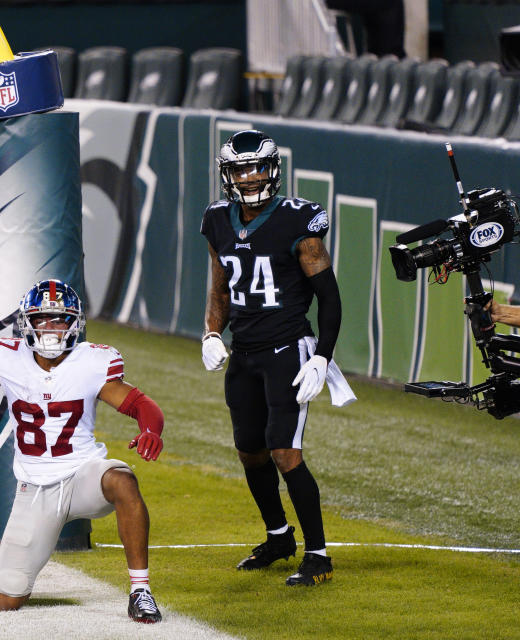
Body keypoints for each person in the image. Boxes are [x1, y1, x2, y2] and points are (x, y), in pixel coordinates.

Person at [0, 279, 164, 623]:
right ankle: (3, 566)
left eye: (60, 319)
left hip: (83, 473)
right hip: (35, 489)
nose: (51, 328)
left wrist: (151, 428)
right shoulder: (8, 358)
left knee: (123, 480)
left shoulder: (92, 361)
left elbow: (139, 403)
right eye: (43, 319)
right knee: (5, 603)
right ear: (27, 323)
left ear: (75, 324)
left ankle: (141, 591)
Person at [200, 130, 354, 586]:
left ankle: (319, 554)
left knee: (285, 452)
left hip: (289, 349)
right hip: (244, 352)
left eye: (257, 168)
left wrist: (321, 357)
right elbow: (220, 286)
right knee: (250, 451)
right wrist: (211, 332)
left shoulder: (298, 220)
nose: (250, 178)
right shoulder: (216, 220)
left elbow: (329, 296)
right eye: (240, 170)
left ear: (273, 168)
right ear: (227, 175)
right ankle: (279, 536)